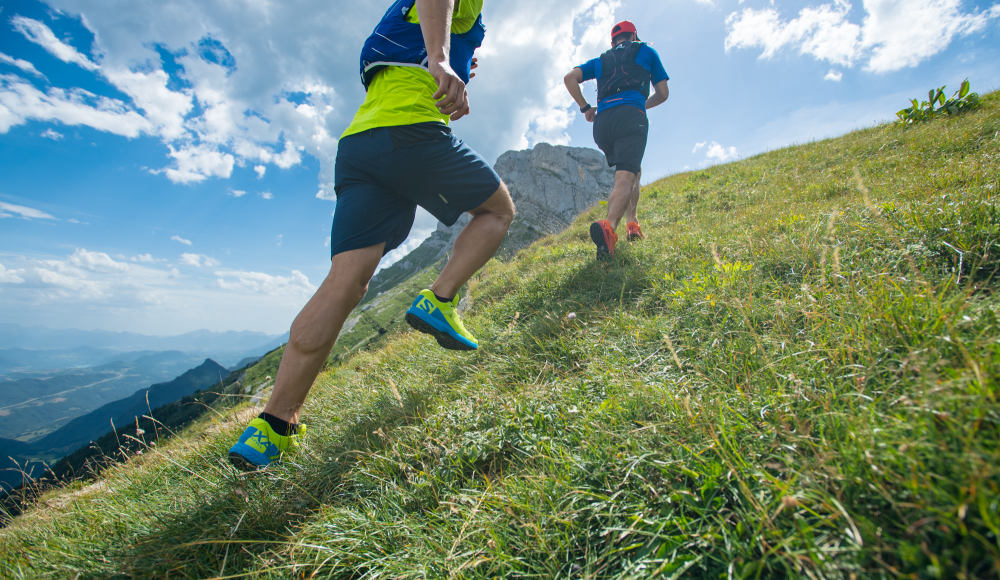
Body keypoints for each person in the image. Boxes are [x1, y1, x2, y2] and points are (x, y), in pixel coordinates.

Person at [227, 0, 515, 470]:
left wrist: (453, 53)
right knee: (498, 211)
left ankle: (271, 427)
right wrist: (442, 58)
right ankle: (439, 300)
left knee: (345, 283)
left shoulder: (400, 17)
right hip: (412, 134)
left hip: (359, 147)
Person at [563, 20, 669, 259]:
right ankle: (609, 229)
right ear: (634, 36)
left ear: (613, 42)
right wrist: (640, 104)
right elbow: (663, 93)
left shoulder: (601, 60)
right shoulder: (646, 51)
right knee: (625, 178)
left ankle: (633, 224)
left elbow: (569, 78)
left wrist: (586, 108)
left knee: (632, 171)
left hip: (603, 124)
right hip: (630, 116)